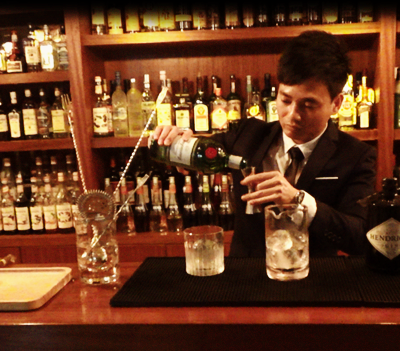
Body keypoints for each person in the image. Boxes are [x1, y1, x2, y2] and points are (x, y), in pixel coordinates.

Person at [152, 30, 377, 257]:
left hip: (311, 274)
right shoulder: (248, 134)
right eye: (285, 100)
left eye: (308, 105)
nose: (292, 115)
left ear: (336, 103)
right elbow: (198, 153)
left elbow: (360, 237)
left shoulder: (356, 155)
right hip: (246, 273)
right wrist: (173, 140)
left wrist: (299, 200)